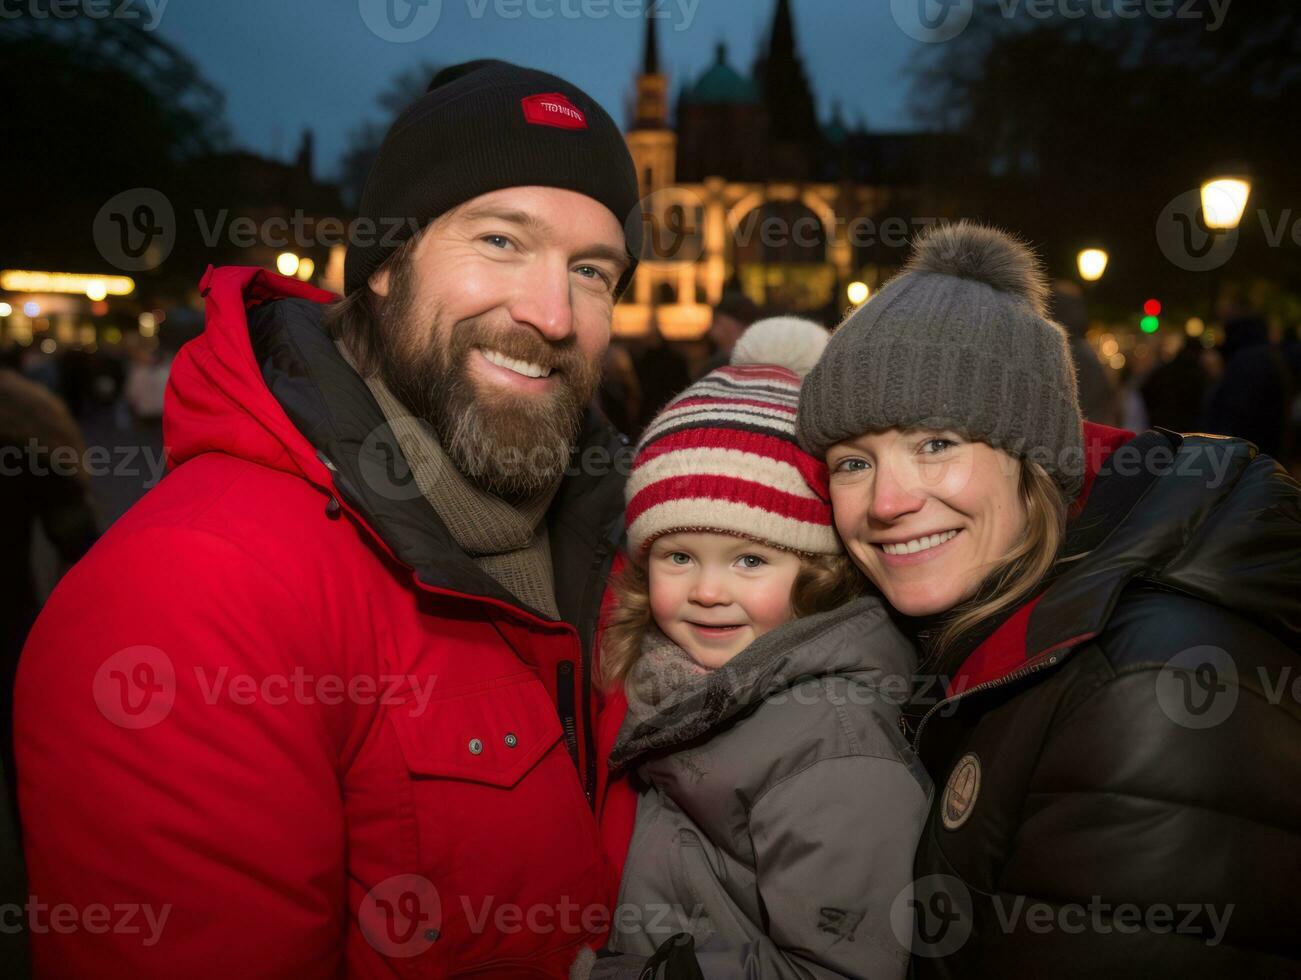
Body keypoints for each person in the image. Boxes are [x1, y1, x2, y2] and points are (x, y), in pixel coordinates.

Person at [16, 60, 643, 978]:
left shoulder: (634, 548)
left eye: (592, 271)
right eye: (501, 242)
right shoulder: (191, 594)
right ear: (386, 264)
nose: (552, 314)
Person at [796, 221, 1301, 977]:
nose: (886, 502)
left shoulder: (1150, 688)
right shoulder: (981, 623)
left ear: (1033, 457)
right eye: (851, 463)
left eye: (935, 443)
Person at [575, 318, 932, 979]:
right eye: (679, 556)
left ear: (816, 574)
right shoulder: (658, 674)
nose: (707, 591)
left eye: (749, 560)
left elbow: (840, 969)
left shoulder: (833, 743)